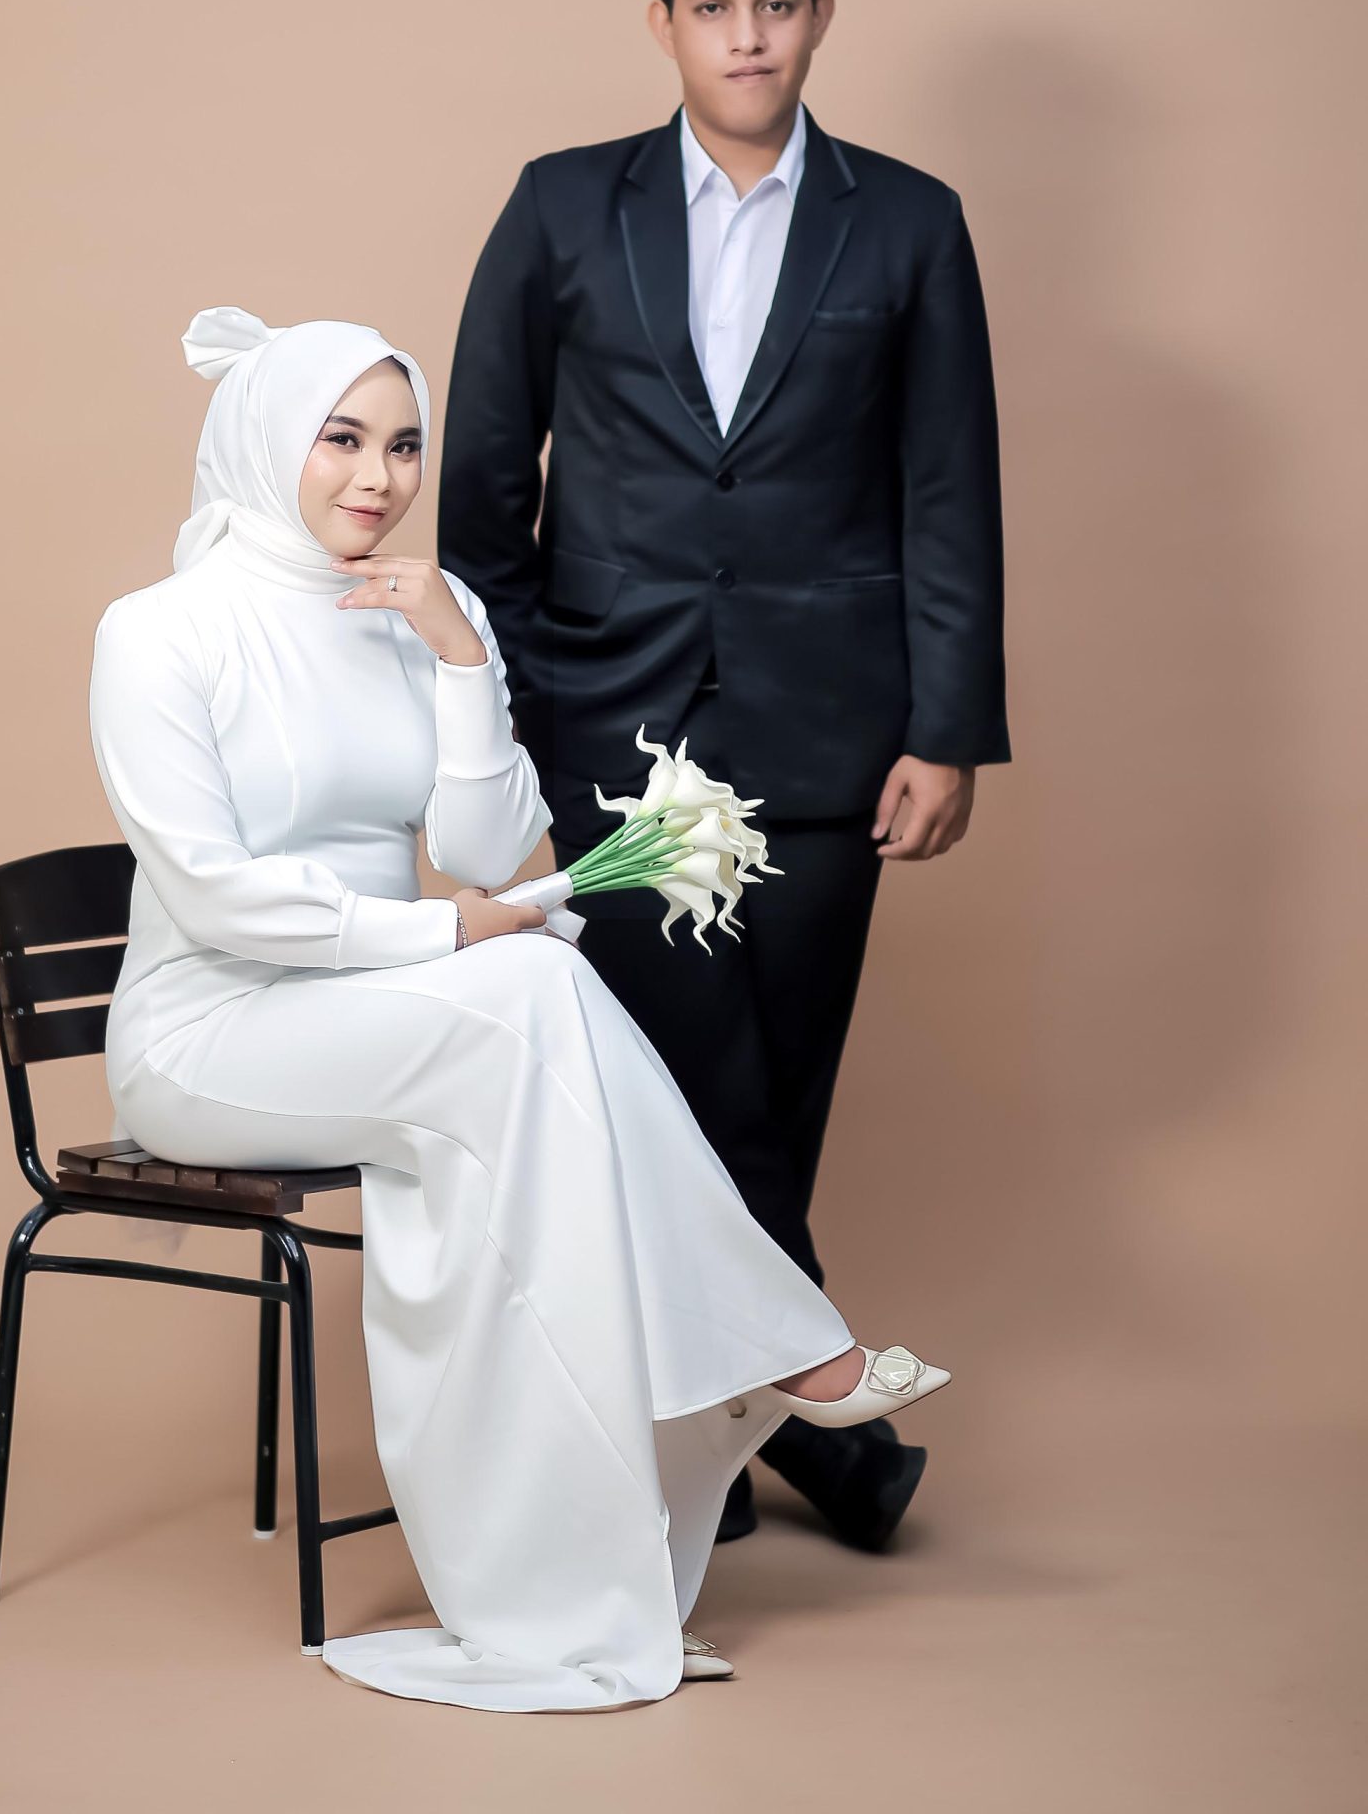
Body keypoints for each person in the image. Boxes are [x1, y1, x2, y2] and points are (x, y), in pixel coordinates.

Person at [88, 304, 949, 1712]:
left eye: (405, 445)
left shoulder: (426, 609)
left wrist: (458, 659)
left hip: (392, 1020)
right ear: (263, 438)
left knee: (536, 1128)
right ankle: (779, 1345)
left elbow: (492, 852)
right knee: (533, 982)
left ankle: (580, 1599)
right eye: (341, 439)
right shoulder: (157, 633)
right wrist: (444, 931)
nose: (378, 478)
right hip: (212, 1039)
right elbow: (217, 898)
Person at [438, 0, 1007, 1553]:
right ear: (663, 21)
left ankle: (717, 1437)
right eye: (712, 6)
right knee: (689, 1089)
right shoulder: (564, 207)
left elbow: (948, 491)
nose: (746, 37)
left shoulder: (908, 223)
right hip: (612, 727)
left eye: (775, 5)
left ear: (820, 15)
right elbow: (484, 488)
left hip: (836, 730)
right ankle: (821, 1434)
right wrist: (514, 721)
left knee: (783, 1091)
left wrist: (947, 725)